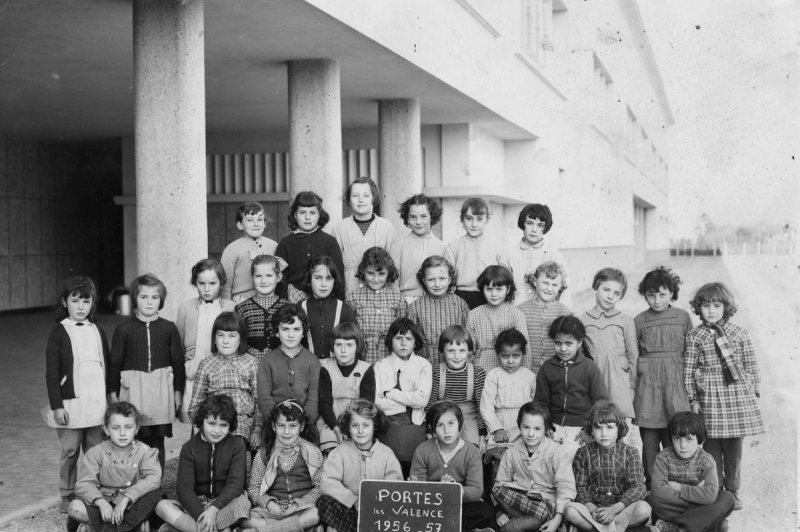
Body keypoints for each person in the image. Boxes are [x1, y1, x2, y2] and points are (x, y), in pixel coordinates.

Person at [684, 282, 764, 511]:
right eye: (706, 306)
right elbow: (688, 369)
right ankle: (715, 490)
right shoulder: (695, 336)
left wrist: (752, 387)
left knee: (734, 445)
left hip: (735, 395)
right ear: (698, 308)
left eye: (717, 305)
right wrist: (693, 399)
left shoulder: (739, 333)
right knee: (711, 445)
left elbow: (751, 363)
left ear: (725, 306)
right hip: (710, 396)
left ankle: (733, 489)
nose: (711, 310)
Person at [44, 276, 109, 513]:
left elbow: (107, 366)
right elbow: (52, 374)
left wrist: (110, 398)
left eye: (86, 301)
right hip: (71, 404)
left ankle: (93, 491)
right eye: (75, 301)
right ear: (64, 302)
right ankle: (67, 492)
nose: (81, 307)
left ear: (93, 303)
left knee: (95, 450)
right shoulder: (59, 332)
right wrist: (57, 405)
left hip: (97, 402)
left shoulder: (98, 330)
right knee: (70, 451)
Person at [109, 274, 184, 470]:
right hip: (134, 390)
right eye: (144, 297)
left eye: (154, 297)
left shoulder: (169, 328)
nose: (149, 302)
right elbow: (115, 362)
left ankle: (154, 485)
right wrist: (112, 392)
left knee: (156, 442)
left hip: (160, 391)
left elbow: (178, 362)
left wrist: (177, 392)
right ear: (135, 299)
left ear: (161, 300)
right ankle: (133, 483)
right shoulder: (124, 328)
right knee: (133, 439)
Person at [633, 267, 694, 489]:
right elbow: (634, 353)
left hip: (675, 383)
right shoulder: (639, 320)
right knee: (649, 440)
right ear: (645, 295)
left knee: (675, 434)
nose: (657, 300)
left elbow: (692, 352)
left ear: (672, 294)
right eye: (651, 295)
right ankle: (652, 486)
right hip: (648, 384)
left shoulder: (683, 317)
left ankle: (677, 483)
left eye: (662, 294)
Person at [155, 394, 250, 532]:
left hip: (225, 504)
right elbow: (184, 489)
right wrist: (201, 515)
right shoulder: (189, 448)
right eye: (211, 423)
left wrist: (213, 509)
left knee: (243, 504)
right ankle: (216, 528)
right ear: (202, 421)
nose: (217, 431)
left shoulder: (237, 445)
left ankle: (187, 528)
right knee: (162, 506)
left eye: (223, 425)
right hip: (196, 506)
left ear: (230, 425)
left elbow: (235, 484)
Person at [68, 402, 162, 532]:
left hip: (133, 504)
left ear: (137, 428)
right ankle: (134, 528)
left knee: (158, 501)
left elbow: (153, 479)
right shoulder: (96, 452)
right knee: (75, 507)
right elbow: (84, 483)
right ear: (106, 429)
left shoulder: (146, 452)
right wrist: (100, 502)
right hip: (104, 505)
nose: (122, 433)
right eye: (116, 428)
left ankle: (94, 528)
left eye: (128, 427)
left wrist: (127, 498)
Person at [564, 401, 654, 532]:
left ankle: (596, 529)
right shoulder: (583, 453)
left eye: (609, 427)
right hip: (594, 511)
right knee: (570, 510)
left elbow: (638, 487)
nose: (604, 433)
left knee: (644, 509)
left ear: (619, 428)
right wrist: (592, 508)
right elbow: (580, 487)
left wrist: (613, 509)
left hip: (621, 509)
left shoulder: (630, 452)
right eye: (598, 428)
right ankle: (620, 529)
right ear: (591, 430)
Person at [318, 399, 403, 532]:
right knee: (324, 502)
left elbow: (395, 486)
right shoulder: (339, 452)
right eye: (355, 425)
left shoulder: (386, 454)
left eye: (366, 425)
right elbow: (327, 482)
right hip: (349, 510)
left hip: (377, 513)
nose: (360, 430)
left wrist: (377, 505)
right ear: (348, 427)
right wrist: (353, 501)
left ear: (374, 426)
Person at [410, 401, 494, 532]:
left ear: (459, 424)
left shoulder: (471, 450)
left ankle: (442, 527)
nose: (446, 430)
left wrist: (456, 490)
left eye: (451, 423)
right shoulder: (423, 449)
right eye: (440, 425)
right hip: (431, 506)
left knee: (485, 510)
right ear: (432, 428)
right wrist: (419, 489)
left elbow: (477, 490)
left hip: (460, 504)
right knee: (413, 512)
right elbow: (418, 485)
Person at [579, 268, 640, 449]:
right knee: (595, 424)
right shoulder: (582, 319)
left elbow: (632, 354)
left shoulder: (625, 320)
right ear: (595, 288)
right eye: (606, 290)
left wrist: (632, 386)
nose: (610, 296)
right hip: (593, 379)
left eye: (616, 293)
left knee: (619, 427)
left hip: (619, 382)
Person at [492, 401, 575, 532]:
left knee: (544, 511)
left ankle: (508, 529)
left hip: (546, 503)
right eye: (526, 427)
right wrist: (498, 512)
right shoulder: (512, 452)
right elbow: (500, 484)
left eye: (537, 429)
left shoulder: (556, 451)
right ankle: (532, 525)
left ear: (546, 428)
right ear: (519, 425)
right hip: (520, 501)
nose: (531, 434)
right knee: (497, 490)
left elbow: (566, 487)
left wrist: (557, 519)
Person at [645, 412, 735, 532]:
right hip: (682, 506)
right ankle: (702, 523)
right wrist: (697, 497)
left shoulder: (706, 460)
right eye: (677, 439)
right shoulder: (663, 457)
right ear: (671, 439)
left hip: (693, 505)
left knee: (727, 498)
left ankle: (678, 528)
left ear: (699, 439)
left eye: (689, 439)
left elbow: (710, 495)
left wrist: (678, 487)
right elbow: (658, 490)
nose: (683, 445)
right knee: (651, 500)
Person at [534, 316, 608, 460]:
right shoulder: (547, 368)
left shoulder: (589, 367)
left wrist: (590, 429)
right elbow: (541, 402)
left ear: (579, 342)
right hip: (552, 427)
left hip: (581, 428)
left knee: (575, 461)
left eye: (568, 343)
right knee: (546, 461)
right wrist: (546, 425)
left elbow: (601, 402)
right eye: (558, 343)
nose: (563, 348)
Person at [241, 401, 323, 532]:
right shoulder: (264, 454)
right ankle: (294, 527)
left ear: (301, 427)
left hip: (301, 509)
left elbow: (320, 487)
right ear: (273, 426)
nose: (286, 432)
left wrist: (297, 504)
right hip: (273, 510)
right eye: (281, 425)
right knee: (246, 518)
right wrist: (270, 503)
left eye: (292, 426)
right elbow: (253, 488)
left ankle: (266, 530)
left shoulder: (313, 453)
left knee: (315, 514)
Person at [188, 312, 261, 453]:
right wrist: (201, 428)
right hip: (215, 420)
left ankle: (236, 473)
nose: (225, 341)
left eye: (232, 336)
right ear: (214, 339)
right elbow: (195, 405)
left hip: (242, 422)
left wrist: (258, 429)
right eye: (221, 335)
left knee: (235, 440)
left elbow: (258, 401)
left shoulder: (251, 363)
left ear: (241, 339)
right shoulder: (206, 364)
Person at [175, 259, 236, 424]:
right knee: (195, 420)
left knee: (219, 419)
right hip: (193, 372)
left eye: (212, 283)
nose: (207, 289)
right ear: (195, 283)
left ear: (221, 283)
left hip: (222, 373)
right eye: (201, 283)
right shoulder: (186, 307)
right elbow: (179, 343)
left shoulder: (231, 307)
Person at [374, 318, 432, 477]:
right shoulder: (380, 366)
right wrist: (407, 403)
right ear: (390, 340)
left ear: (415, 342)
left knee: (411, 470)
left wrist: (390, 393)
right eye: (398, 338)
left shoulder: (423, 365)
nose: (403, 343)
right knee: (390, 469)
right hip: (388, 425)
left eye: (409, 339)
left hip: (414, 425)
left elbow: (421, 400)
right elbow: (376, 402)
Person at [330, 177, 398, 295]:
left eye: (366, 195)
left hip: (380, 292)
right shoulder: (339, 228)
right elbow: (333, 264)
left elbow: (393, 264)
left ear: (374, 198)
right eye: (355, 196)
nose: (361, 200)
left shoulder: (386, 227)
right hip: (349, 288)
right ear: (349, 200)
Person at [256, 304, 321, 428]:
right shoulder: (268, 360)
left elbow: (314, 399)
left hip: (304, 426)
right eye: (285, 329)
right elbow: (264, 398)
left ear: (303, 333)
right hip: (275, 425)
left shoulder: (312, 361)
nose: (291, 335)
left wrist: (303, 423)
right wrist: (277, 423)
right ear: (277, 332)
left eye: (296, 329)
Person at [425, 325, 487, 451]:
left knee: (471, 450)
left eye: (462, 350)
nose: (457, 356)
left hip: (469, 419)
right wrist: (429, 428)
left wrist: (482, 435)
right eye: (451, 350)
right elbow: (431, 403)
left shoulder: (477, 373)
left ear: (469, 351)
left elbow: (482, 407)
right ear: (443, 350)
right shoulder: (436, 371)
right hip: (443, 417)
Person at [275, 191, 346, 301]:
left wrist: (338, 304)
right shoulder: (285, 243)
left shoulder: (330, 241)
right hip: (293, 298)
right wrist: (284, 304)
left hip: (325, 297)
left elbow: (338, 276)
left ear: (319, 215)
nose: (307, 217)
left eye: (312, 213)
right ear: (295, 214)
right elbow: (280, 279)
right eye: (302, 212)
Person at [317, 322, 376, 454]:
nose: (343, 350)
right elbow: (324, 403)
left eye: (349, 345)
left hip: (357, 420)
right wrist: (336, 428)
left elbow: (366, 404)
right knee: (332, 453)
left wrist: (352, 427)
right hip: (331, 422)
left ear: (357, 346)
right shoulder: (327, 369)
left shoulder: (365, 369)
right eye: (339, 345)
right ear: (333, 346)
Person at [444, 198, 510, 310]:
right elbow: (447, 277)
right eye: (469, 219)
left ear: (487, 220)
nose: (474, 224)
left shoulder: (499, 248)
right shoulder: (453, 246)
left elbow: (506, 278)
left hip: (490, 297)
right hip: (461, 297)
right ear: (462, 219)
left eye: (479, 219)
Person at [346, 247, 407, 364]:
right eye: (370, 273)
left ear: (389, 273)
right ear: (363, 271)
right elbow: (350, 332)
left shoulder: (398, 298)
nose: (376, 279)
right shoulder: (353, 298)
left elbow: (401, 331)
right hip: (363, 355)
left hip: (389, 355)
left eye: (381, 274)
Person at [481, 328, 536, 457]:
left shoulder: (530, 376)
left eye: (515, 356)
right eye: (505, 356)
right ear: (498, 354)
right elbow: (486, 407)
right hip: (500, 427)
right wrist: (497, 429)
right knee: (499, 465)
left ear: (523, 354)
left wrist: (529, 428)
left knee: (524, 461)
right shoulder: (494, 375)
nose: (510, 361)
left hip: (524, 428)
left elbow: (536, 407)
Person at [406, 255, 470, 364]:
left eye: (442, 278)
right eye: (431, 279)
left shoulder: (460, 304)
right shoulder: (415, 307)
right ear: (424, 280)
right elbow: (410, 338)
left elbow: (469, 335)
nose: (437, 284)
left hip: (454, 362)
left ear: (449, 279)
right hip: (425, 362)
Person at [467, 265, 529, 372]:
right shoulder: (473, 314)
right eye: (489, 289)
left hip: (508, 369)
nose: (494, 294)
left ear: (508, 289)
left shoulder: (516, 315)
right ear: (482, 289)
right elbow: (468, 349)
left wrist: (524, 374)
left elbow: (525, 350)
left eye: (499, 289)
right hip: (480, 369)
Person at [506, 203, 570, 307]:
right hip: (514, 308)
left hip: (543, 311)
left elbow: (565, 287)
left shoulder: (553, 254)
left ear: (545, 228)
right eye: (530, 223)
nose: (534, 230)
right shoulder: (509, 252)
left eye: (540, 225)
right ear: (523, 224)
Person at [389, 194, 446, 303]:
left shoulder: (442, 247)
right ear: (407, 219)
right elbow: (393, 283)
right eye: (413, 217)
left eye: (424, 216)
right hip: (406, 301)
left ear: (432, 216)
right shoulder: (398, 246)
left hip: (435, 302)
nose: (418, 222)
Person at [516, 261, 571, 374]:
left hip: (556, 372)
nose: (549, 289)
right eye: (545, 283)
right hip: (527, 371)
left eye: (554, 285)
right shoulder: (521, 310)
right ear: (535, 282)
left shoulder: (565, 312)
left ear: (560, 286)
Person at [235, 255, 290, 363]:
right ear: (252, 278)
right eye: (258, 276)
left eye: (269, 275)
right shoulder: (242, 308)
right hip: (250, 366)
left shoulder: (288, 307)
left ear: (278, 277)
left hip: (280, 365)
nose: (263, 281)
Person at [220, 202, 279, 303]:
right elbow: (225, 284)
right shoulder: (232, 249)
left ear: (264, 224)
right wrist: (227, 307)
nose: (256, 224)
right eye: (250, 220)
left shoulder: (273, 246)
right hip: (240, 301)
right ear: (240, 225)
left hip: (269, 299)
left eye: (260, 220)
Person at [298, 256, 355, 358]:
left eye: (329, 278)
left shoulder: (344, 309)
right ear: (309, 279)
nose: (324, 284)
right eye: (318, 278)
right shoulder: (299, 308)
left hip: (337, 370)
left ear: (335, 281)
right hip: (307, 369)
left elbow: (354, 344)